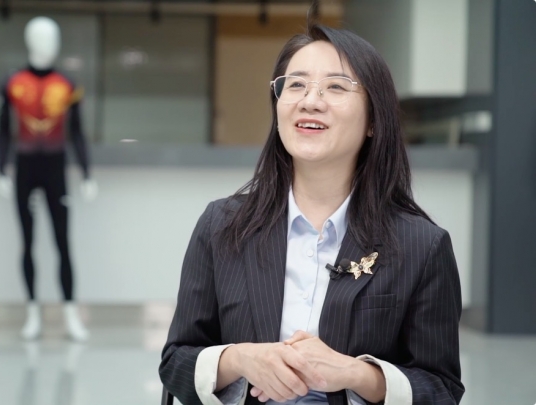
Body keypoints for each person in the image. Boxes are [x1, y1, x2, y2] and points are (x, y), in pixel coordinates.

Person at [159, 23, 464, 405]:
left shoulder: (422, 245)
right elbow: (176, 362)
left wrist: (357, 374)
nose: (310, 100)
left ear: (374, 120)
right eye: (296, 84)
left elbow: (441, 389)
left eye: (336, 86)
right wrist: (239, 359)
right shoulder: (222, 226)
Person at [0, 17, 96, 342]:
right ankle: (32, 314)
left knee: (62, 242)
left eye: (53, 37)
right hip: (25, 167)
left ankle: (70, 314)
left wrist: (86, 172)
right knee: (27, 242)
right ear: (30, 41)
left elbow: (77, 132)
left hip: (55, 168)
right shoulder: (13, 82)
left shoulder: (67, 84)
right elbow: (3, 130)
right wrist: (0, 168)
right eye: (42, 37)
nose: (49, 43)